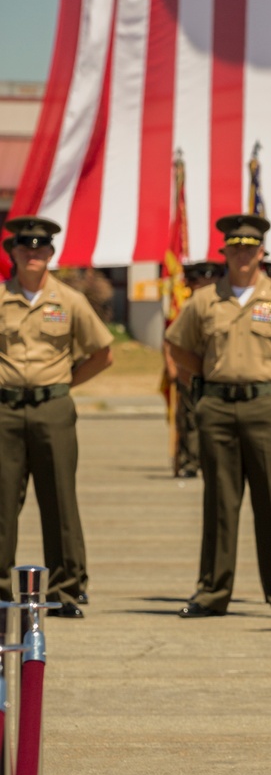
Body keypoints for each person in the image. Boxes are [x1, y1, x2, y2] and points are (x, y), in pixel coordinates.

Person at [165, 214, 271, 619]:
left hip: (268, 405)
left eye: (250, 248)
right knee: (220, 501)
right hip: (217, 406)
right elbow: (177, 345)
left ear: (262, 252)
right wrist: (205, 377)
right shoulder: (205, 300)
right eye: (235, 248)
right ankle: (213, 592)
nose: (242, 255)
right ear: (225, 252)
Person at [0, 216, 112, 616]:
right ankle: (0, 591)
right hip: (5, 410)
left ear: (51, 254)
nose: (33, 254)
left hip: (53, 408)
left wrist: (64, 384)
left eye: (41, 248)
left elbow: (103, 353)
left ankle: (66, 589)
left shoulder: (69, 301)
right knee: (2, 501)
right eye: (25, 248)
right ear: (12, 253)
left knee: (60, 499)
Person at [163, 261, 217, 478]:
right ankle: (190, 461)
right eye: (193, 281)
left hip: (214, 371)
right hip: (189, 370)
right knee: (189, 418)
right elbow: (171, 339)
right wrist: (171, 367)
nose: (196, 285)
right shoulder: (186, 306)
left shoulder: (219, 303)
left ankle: (209, 460)